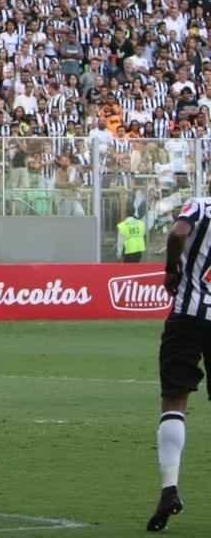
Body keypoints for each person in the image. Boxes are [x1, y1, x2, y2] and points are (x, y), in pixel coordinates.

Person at [146, 197, 211, 531]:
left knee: (174, 399)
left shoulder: (201, 205)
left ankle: (169, 488)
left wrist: (171, 268)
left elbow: (177, 234)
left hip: (188, 315)